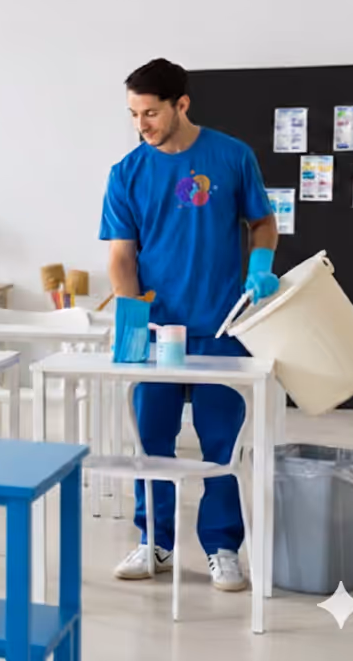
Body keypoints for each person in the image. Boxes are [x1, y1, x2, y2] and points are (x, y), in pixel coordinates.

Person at [100, 58, 279, 591]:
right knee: (151, 442)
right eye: (133, 114)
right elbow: (121, 258)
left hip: (222, 328)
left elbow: (263, 222)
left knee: (220, 444)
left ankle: (223, 547)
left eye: (150, 113)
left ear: (182, 105)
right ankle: (153, 541)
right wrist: (133, 322)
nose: (141, 125)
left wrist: (260, 268)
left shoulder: (231, 156)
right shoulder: (127, 173)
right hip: (157, 332)